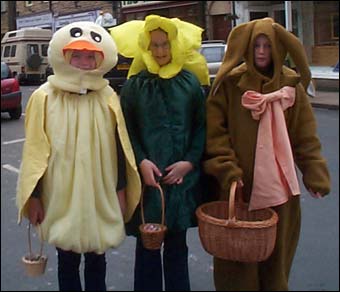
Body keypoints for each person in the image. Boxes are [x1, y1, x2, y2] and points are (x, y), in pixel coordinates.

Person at [204, 17, 331, 291]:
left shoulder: (291, 86)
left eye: (267, 46)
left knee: (276, 259)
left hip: (281, 193)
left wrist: (314, 174)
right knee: (237, 261)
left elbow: (305, 137)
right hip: (240, 190)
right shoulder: (229, 85)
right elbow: (216, 136)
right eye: (256, 46)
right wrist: (229, 173)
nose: (261, 52)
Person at [16, 21, 141, 291]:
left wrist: (121, 192)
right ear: (64, 56)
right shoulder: (44, 97)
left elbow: (120, 149)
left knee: (98, 261)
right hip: (60, 196)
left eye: (90, 56)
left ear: (100, 58)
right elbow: (36, 152)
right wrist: (35, 197)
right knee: (67, 262)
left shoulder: (107, 97)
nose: (84, 63)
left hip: (100, 194)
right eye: (77, 56)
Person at [110, 15, 209, 291]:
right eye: (154, 46)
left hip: (181, 184)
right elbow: (127, 132)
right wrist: (141, 161)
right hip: (148, 185)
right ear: (146, 47)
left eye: (165, 44)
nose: (161, 51)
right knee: (147, 250)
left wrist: (188, 163)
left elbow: (201, 128)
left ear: (173, 44)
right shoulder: (134, 87)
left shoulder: (189, 84)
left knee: (177, 249)